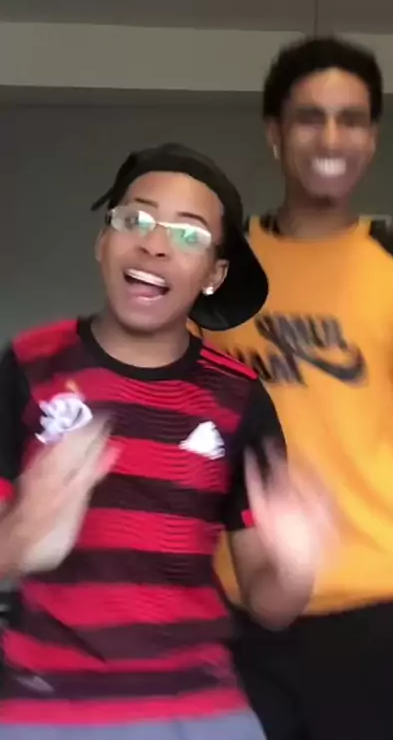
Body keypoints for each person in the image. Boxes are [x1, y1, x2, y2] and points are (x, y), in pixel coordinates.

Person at [0, 144, 333, 739]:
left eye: (188, 234)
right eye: (135, 219)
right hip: (44, 707)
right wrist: (20, 538)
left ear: (214, 275)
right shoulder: (27, 366)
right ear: (103, 241)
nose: (155, 244)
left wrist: (298, 568)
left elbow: (271, 607)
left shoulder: (240, 398)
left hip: (198, 709)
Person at [203, 37, 393, 740]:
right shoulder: (216, 271)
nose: (332, 138)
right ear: (274, 132)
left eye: (351, 119)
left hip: (376, 605)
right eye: (310, 117)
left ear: (372, 138)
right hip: (237, 604)